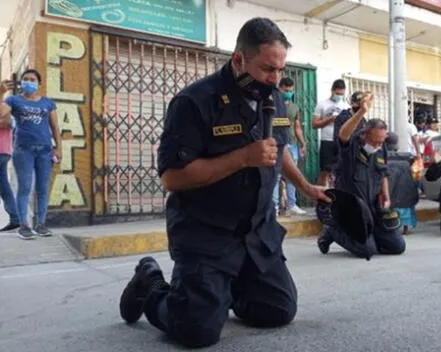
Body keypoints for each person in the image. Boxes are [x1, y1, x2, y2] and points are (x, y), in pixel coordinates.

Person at [118, 18, 330, 349]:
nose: (275, 79)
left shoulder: (272, 97)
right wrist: (242, 158)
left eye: (279, 69)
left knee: (277, 311)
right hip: (207, 233)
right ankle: (152, 286)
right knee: (197, 332)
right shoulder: (194, 102)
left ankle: (215, 292)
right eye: (266, 69)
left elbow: (278, 150)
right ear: (238, 59)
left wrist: (305, 186)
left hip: (257, 233)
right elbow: (172, 177)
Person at [316, 95, 406, 258]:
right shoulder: (351, 147)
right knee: (367, 250)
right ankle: (333, 229)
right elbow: (343, 133)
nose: (378, 146)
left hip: (372, 206)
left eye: (381, 142)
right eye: (374, 142)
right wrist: (362, 111)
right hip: (352, 209)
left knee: (397, 246)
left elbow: (383, 172)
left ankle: (369, 237)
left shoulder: (381, 148)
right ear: (364, 135)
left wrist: (386, 194)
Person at [0, 69, 61, 240]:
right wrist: (1, 92)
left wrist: (58, 148)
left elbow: (55, 127)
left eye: (32, 79)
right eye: (25, 79)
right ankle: (24, 226)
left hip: (45, 150)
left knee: (42, 189)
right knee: (25, 188)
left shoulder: (48, 103)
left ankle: (40, 224)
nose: (29, 82)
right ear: (21, 83)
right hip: (23, 150)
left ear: (38, 83)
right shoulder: (13, 100)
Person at [272, 77, 307, 216]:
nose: (288, 93)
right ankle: (274, 206)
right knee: (275, 176)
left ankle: (292, 204)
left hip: (292, 144)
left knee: (292, 176)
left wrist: (303, 143)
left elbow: (297, 126)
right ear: (279, 88)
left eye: (291, 90)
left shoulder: (294, 107)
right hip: (276, 143)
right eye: (286, 90)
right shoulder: (272, 103)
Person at [312, 79, 350, 187]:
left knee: (341, 170)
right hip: (327, 141)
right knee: (325, 171)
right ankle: (321, 197)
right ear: (332, 91)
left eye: (341, 94)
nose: (339, 96)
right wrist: (330, 119)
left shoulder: (345, 106)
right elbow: (314, 124)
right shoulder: (322, 104)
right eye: (337, 93)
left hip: (340, 141)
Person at [385, 132, 420, 234]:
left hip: (391, 195)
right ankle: (405, 228)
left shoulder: (381, 157)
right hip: (407, 194)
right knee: (407, 207)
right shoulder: (408, 158)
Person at [0, 81, 19, 232]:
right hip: (4, 151)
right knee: (4, 186)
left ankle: (15, 218)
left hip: (2, 151)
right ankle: (15, 218)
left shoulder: (6, 106)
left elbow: (6, 122)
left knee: (4, 186)